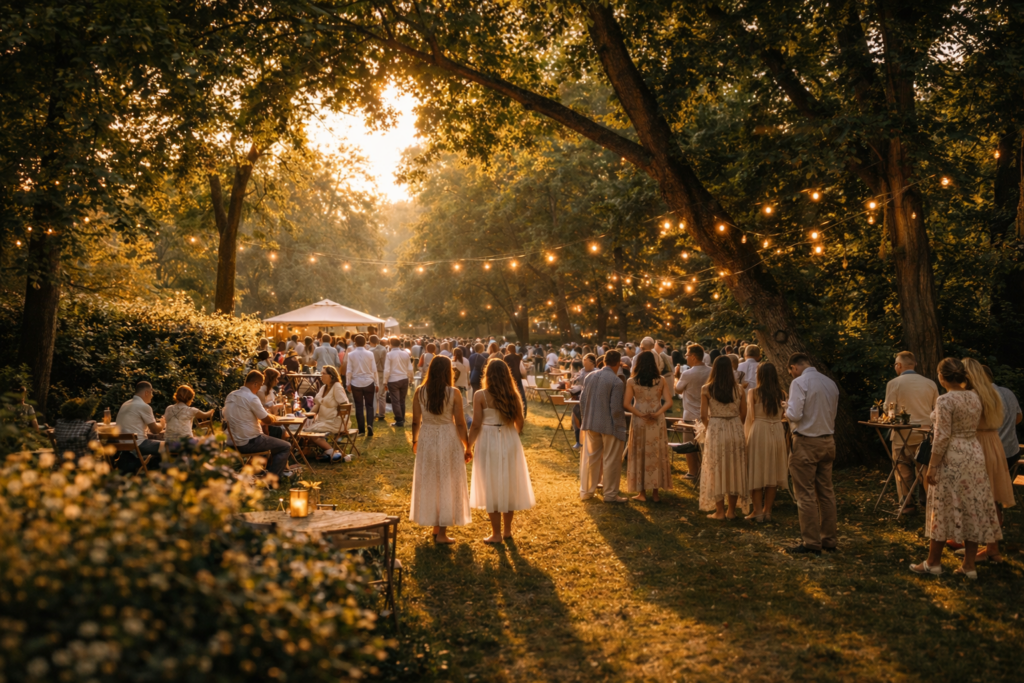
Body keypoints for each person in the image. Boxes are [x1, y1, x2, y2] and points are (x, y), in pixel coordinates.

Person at [910, 358, 1001, 579]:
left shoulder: (945, 400)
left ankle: (933, 563)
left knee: (942, 507)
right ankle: (969, 565)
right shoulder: (976, 396)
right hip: (973, 452)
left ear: (941, 376)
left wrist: (932, 466)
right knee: (972, 508)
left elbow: (941, 437)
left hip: (952, 457)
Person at [468, 358, 535, 543]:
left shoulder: (480, 395)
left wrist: (468, 446)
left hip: (488, 439)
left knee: (491, 484)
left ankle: (496, 534)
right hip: (509, 437)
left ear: (487, 375)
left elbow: (475, 425)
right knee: (508, 483)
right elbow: (519, 421)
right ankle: (507, 531)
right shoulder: (513, 394)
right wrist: (513, 435)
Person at [409, 355, 472, 544]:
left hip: (427, 437)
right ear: (447, 372)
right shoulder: (453, 393)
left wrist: (415, 440)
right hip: (447, 437)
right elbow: (460, 423)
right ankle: (442, 533)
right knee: (446, 480)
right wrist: (467, 445)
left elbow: (415, 421)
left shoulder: (420, 391)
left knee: (430, 480)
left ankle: (436, 527)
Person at [784, 353, 839, 554]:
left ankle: (811, 542)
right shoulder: (830, 383)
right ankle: (829, 539)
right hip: (827, 440)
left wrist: (785, 410)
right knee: (826, 492)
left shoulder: (799, 382)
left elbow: (795, 414)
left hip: (806, 441)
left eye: (790, 371)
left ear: (794, 367)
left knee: (805, 494)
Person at [962, 359, 1014, 564]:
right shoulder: (993, 393)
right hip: (993, 443)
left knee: (974, 500)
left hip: (978, 444)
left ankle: (973, 552)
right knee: (991, 499)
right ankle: (992, 548)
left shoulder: (971, 397)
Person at [883, 351, 939, 513]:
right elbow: (937, 409)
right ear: (915, 365)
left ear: (899, 366)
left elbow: (888, 409)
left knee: (902, 467)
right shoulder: (930, 383)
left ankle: (907, 504)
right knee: (925, 470)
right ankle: (930, 504)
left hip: (902, 434)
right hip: (926, 434)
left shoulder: (894, 384)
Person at [699, 355, 748, 520]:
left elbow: (703, 415)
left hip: (716, 428)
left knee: (716, 469)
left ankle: (719, 512)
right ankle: (732, 511)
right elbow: (744, 413)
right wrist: (735, 425)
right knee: (734, 468)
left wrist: (710, 428)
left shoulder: (706, 389)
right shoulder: (739, 389)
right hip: (734, 427)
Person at [579, 349, 629, 503]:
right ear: (618, 363)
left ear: (604, 361)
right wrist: (621, 427)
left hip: (591, 423)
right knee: (611, 460)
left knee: (590, 459)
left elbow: (582, 400)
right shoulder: (616, 381)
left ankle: (587, 491)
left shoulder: (590, 376)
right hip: (610, 426)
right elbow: (615, 408)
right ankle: (610, 494)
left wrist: (585, 419)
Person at [624, 351, 674, 502]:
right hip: (656, 420)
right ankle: (656, 493)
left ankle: (642, 493)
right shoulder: (661, 380)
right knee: (656, 453)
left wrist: (639, 414)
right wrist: (657, 413)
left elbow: (626, 404)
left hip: (640, 420)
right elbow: (669, 402)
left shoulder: (632, 381)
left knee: (641, 453)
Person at [223, 370, 292, 479]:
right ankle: (272, 479)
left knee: (273, 438)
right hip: (248, 442)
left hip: (231, 442)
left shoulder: (231, 395)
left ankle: (267, 471)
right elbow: (267, 419)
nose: (259, 388)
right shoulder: (251, 397)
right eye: (260, 385)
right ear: (255, 383)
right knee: (285, 446)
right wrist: (273, 417)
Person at [744, 362, 789, 522]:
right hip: (776, 431)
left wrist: (746, 436)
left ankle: (757, 511)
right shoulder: (782, 394)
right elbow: (786, 415)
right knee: (773, 471)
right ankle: (767, 511)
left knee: (756, 470)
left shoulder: (753, 392)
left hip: (759, 430)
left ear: (760, 375)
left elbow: (750, 416)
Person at [674, 344, 711, 480]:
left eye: (687, 355)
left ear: (694, 357)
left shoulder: (688, 373)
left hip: (690, 414)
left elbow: (678, 389)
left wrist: (676, 376)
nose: (686, 358)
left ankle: (693, 472)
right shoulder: (711, 371)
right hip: (707, 414)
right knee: (706, 446)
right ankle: (706, 472)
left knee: (689, 446)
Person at [114, 381, 166, 472]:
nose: (152, 395)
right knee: (167, 446)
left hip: (122, 445)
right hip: (138, 445)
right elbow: (155, 430)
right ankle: (160, 477)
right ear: (147, 392)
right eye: (152, 392)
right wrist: (162, 424)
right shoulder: (143, 406)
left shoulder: (125, 404)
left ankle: (147, 469)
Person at [303, 366, 350, 463]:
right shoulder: (324, 387)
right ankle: (331, 453)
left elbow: (345, 404)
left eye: (324, 373)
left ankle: (334, 453)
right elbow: (317, 404)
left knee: (312, 434)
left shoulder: (336, 386)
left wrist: (338, 416)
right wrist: (307, 416)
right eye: (321, 373)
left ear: (331, 376)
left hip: (336, 421)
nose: (321, 375)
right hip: (323, 420)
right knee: (303, 429)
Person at [345, 335, 378, 437]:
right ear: (365, 343)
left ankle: (361, 430)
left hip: (356, 382)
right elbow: (374, 369)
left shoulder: (351, 354)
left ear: (355, 342)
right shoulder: (370, 354)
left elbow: (349, 370)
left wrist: (348, 383)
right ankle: (369, 425)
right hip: (369, 381)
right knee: (369, 405)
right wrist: (376, 383)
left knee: (359, 406)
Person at [384, 337, 413, 427]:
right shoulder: (405, 354)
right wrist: (411, 378)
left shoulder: (389, 355)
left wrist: (385, 381)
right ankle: (402, 418)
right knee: (402, 400)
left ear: (390, 344)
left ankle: (399, 419)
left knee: (395, 401)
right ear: (400, 344)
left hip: (393, 379)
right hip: (404, 378)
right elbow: (410, 368)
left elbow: (387, 370)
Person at [570, 353, 597, 448]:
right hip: (579, 398)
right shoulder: (581, 371)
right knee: (575, 416)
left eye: (586, 360)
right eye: (583, 359)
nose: (583, 361)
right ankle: (578, 441)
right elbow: (574, 380)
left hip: (592, 401)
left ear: (592, 362)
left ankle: (587, 441)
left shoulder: (597, 372)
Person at [503, 343, 528, 417]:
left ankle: (510, 411)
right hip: (518, 378)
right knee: (521, 395)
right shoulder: (518, 357)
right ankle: (524, 412)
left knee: (509, 395)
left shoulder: (506, 357)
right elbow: (521, 368)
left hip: (509, 378)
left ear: (508, 349)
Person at [451, 347, 471, 413]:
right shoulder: (466, 360)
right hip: (463, 382)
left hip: (455, 383)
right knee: (463, 398)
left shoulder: (452, 361)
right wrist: (468, 381)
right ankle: (463, 411)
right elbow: (468, 371)